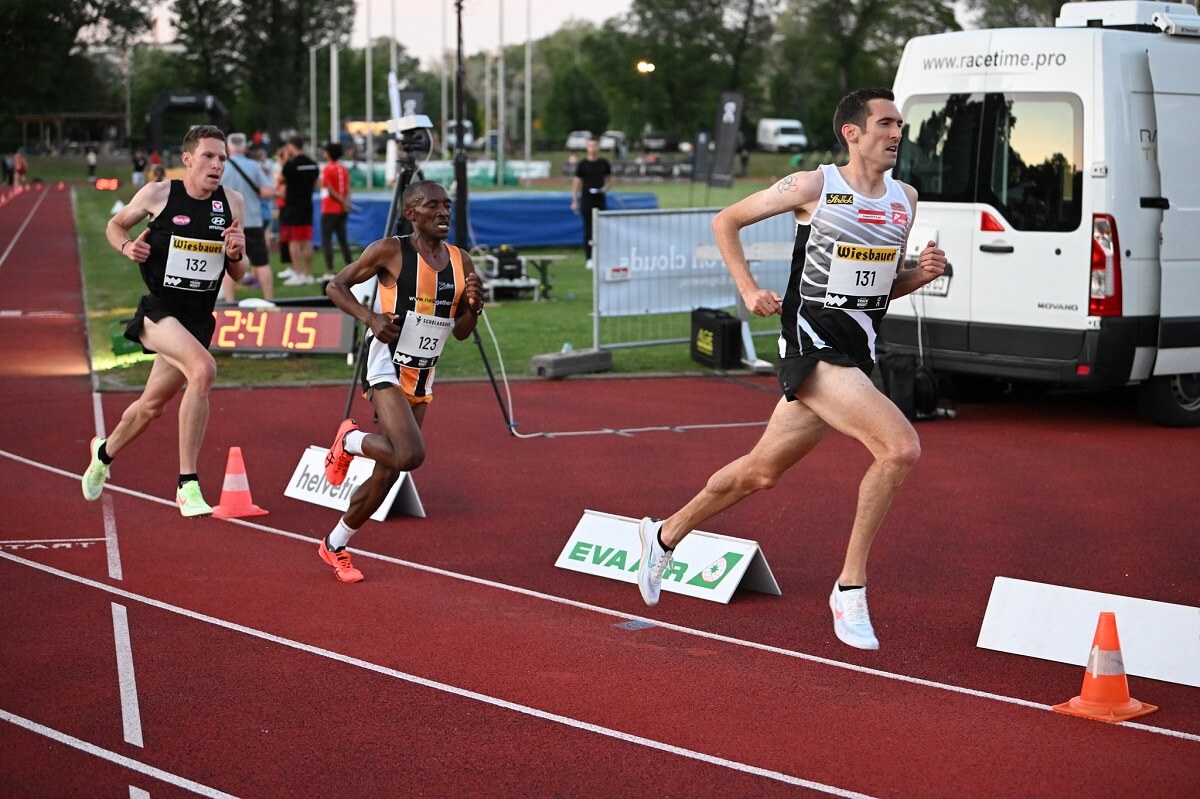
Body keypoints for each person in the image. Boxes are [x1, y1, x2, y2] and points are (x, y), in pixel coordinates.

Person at [635, 88, 947, 650]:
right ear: (852, 132)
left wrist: (918, 277)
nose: (896, 133)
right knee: (900, 448)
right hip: (811, 348)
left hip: (856, 355)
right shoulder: (814, 185)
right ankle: (849, 588)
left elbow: (877, 291)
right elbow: (725, 221)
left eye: (900, 124)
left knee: (761, 471)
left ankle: (662, 535)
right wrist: (749, 288)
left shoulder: (907, 200)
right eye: (884, 123)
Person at [317, 180, 484, 582]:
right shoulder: (389, 250)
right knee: (410, 455)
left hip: (423, 374)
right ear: (411, 212)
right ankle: (350, 441)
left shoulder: (463, 262)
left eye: (447, 206)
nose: (443, 213)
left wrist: (474, 308)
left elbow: (460, 332)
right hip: (385, 367)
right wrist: (371, 318)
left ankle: (334, 545)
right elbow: (335, 286)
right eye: (432, 206)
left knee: (387, 476)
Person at [81, 125, 247, 518]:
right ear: (187, 159)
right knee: (203, 370)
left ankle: (103, 454)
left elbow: (237, 273)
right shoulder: (159, 194)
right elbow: (115, 224)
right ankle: (187, 484)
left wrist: (237, 255)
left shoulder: (233, 203)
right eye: (209, 156)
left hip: (196, 319)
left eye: (222, 158)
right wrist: (127, 246)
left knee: (150, 407)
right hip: (159, 311)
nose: (217, 164)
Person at [218, 132, 275, 303]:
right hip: (252, 220)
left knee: (227, 263)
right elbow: (268, 191)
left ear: (228, 147)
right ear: (244, 147)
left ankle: (229, 301)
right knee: (262, 263)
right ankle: (269, 300)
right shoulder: (254, 166)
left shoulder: (221, 167)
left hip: (228, 223)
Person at [278, 135, 320, 286]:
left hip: (293, 206)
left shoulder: (291, 165)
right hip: (307, 205)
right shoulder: (312, 164)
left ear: (291, 146)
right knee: (307, 241)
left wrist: (284, 160)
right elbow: (315, 183)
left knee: (294, 241)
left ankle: (298, 273)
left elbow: (281, 179)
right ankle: (308, 274)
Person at [570, 136, 612, 268]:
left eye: (595, 145)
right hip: (587, 198)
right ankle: (589, 257)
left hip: (599, 197)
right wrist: (574, 200)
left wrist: (606, 188)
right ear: (587, 147)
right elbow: (576, 183)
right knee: (588, 229)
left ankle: (601, 255)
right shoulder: (583, 165)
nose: (593, 148)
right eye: (590, 146)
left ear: (598, 147)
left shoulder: (604, 163)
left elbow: (609, 179)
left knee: (601, 228)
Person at [319, 141, 353, 283]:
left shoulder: (327, 169)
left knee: (327, 240)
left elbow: (329, 189)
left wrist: (341, 200)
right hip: (341, 210)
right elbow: (347, 187)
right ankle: (349, 266)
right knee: (343, 239)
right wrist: (347, 202)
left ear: (328, 153)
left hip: (329, 208)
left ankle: (330, 269)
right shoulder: (343, 168)